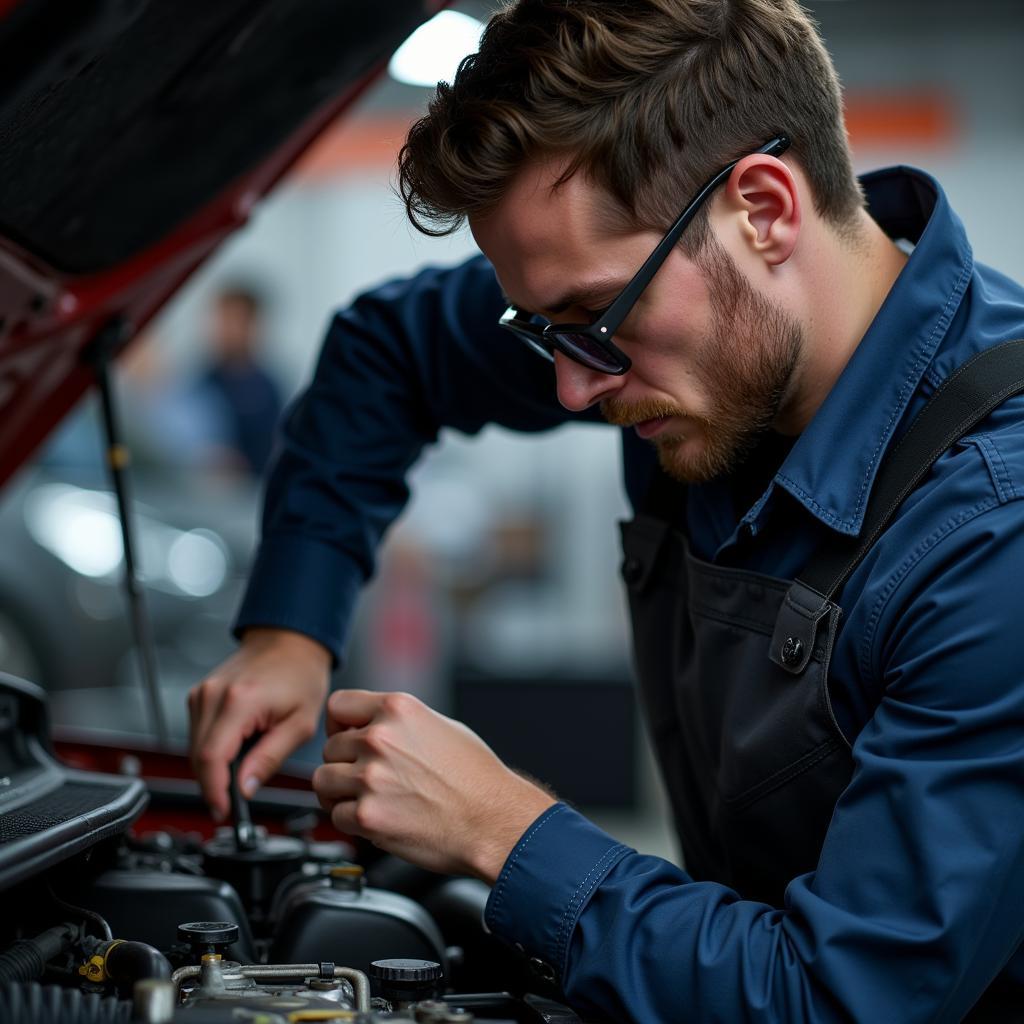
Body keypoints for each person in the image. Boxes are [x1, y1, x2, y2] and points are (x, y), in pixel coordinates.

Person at [188, 1, 1024, 1019]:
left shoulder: (992, 536)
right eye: (543, 332)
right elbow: (386, 351)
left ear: (762, 209)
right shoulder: (693, 332)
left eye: (590, 320)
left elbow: (839, 998)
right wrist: (289, 631)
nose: (572, 391)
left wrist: (502, 828)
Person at [190, 284, 283, 477]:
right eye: (222, 320)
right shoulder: (202, 383)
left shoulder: (268, 390)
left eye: (234, 321)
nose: (226, 330)